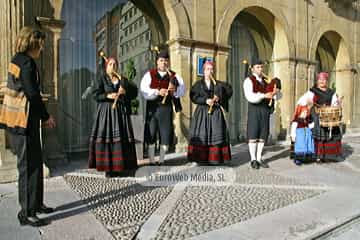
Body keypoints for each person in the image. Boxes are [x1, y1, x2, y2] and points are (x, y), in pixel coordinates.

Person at [0, 27, 56, 226]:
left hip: (21, 121)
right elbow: (32, 93)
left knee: (35, 163)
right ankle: (26, 213)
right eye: (40, 44)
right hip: (23, 122)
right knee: (27, 167)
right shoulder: (26, 63)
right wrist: (46, 116)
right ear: (32, 43)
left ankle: (37, 204)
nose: (42, 48)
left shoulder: (18, 59)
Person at [89, 56, 138, 177]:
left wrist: (125, 92)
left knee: (121, 138)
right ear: (106, 67)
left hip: (120, 113)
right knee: (108, 138)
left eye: (115, 64)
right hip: (107, 113)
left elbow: (134, 93)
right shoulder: (102, 79)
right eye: (110, 64)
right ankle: (108, 169)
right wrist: (107, 96)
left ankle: (120, 166)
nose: (113, 66)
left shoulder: (122, 80)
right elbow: (95, 95)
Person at [140, 49, 185, 165]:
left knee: (165, 134)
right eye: (161, 60)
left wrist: (174, 90)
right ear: (157, 62)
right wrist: (157, 92)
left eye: (165, 61)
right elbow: (144, 90)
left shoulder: (174, 76)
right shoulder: (150, 74)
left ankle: (161, 160)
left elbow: (182, 90)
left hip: (166, 109)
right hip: (153, 108)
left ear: (168, 62)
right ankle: (151, 160)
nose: (163, 63)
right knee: (151, 133)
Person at [188, 61, 232, 165]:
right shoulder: (198, 84)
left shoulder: (218, 84)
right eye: (208, 69)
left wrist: (219, 97)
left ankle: (215, 158)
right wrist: (205, 100)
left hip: (215, 112)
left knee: (216, 133)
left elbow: (229, 91)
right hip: (202, 112)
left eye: (212, 69)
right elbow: (193, 97)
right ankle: (199, 159)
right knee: (201, 134)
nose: (210, 71)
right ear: (203, 71)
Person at [243, 59, 282, 169]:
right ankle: (253, 159)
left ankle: (259, 158)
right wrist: (264, 95)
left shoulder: (267, 81)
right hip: (254, 109)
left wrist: (275, 92)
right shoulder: (248, 81)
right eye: (257, 67)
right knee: (253, 134)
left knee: (262, 135)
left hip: (265, 109)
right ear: (252, 69)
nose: (260, 69)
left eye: (261, 67)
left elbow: (277, 97)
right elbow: (249, 96)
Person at [297, 72, 342, 162]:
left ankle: (331, 155)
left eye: (324, 79)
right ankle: (318, 155)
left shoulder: (331, 92)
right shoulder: (313, 91)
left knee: (335, 130)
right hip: (317, 114)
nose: (322, 81)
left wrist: (338, 103)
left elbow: (334, 103)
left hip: (329, 115)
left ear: (327, 81)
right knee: (319, 130)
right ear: (317, 81)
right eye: (320, 79)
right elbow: (301, 101)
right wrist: (308, 103)